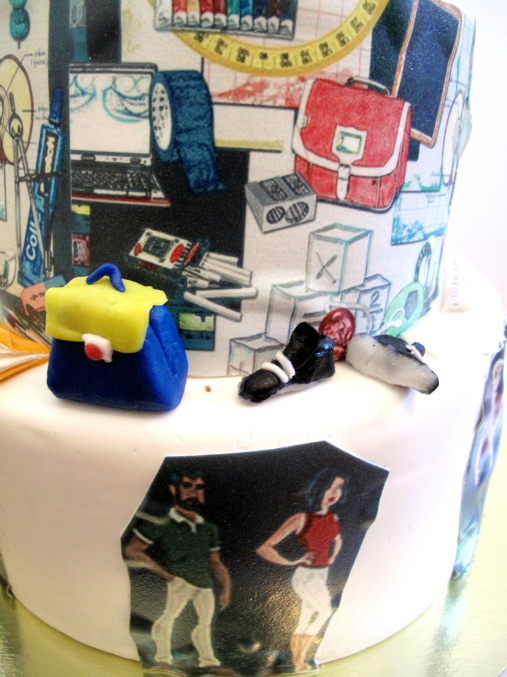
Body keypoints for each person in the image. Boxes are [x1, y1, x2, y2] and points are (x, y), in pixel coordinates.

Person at [124, 471, 231, 671]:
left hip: (204, 584)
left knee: (205, 623)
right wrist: (166, 575)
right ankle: (163, 660)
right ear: (174, 489)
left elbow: (215, 562)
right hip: (180, 580)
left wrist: (226, 589)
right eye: (187, 485)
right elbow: (133, 550)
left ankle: (209, 662)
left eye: (198, 487)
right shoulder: (163, 523)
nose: (193, 492)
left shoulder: (208, 528)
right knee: (168, 618)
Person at [256, 471, 347, 673]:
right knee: (324, 611)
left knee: (305, 618)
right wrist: (292, 561)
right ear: (319, 488)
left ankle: (297, 662)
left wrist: (333, 557)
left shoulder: (333, 518)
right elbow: (265, 548)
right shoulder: (301, 518)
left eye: (339, 488)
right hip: (306, 577)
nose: (334, 492)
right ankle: (302, 659)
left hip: (321, 575)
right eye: (330, 487)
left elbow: (338, 540)